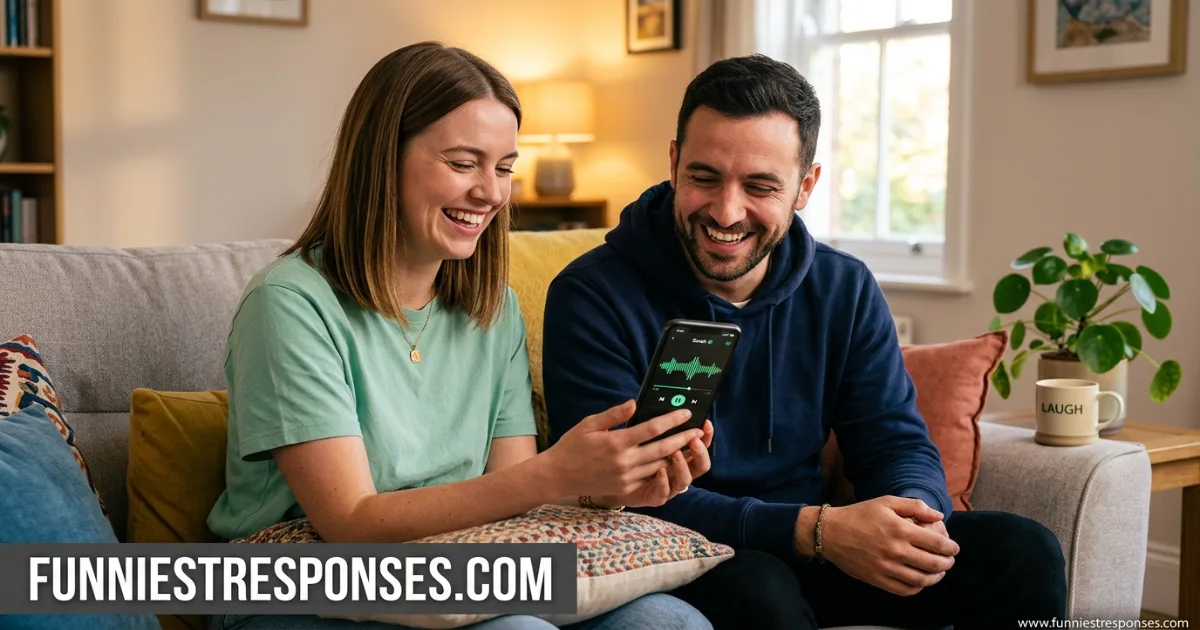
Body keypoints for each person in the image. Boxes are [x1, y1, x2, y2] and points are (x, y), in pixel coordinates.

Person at [541, 54, 1068, 630]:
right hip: (688, 550)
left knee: (1024, 551)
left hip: (825, 545)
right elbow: (616, 491)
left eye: (761, 186)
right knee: (761, 589)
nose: (726, 211)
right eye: (704, 177)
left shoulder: (843, 286)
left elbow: (893, 439)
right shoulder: (592, 294)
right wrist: (817, 530)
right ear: (673, 163)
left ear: (805, 186)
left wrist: (913, 516)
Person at [206, 42, 714, 630]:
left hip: (454, 569)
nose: (492, 194)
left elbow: (509, 490)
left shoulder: (492, 309)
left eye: (503, 169)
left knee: (668, 621)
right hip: (292, 587)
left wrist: (607, 487)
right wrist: (555, 472)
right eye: (463, 162)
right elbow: (348, 522)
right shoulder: (290, 305)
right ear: (382, 158)